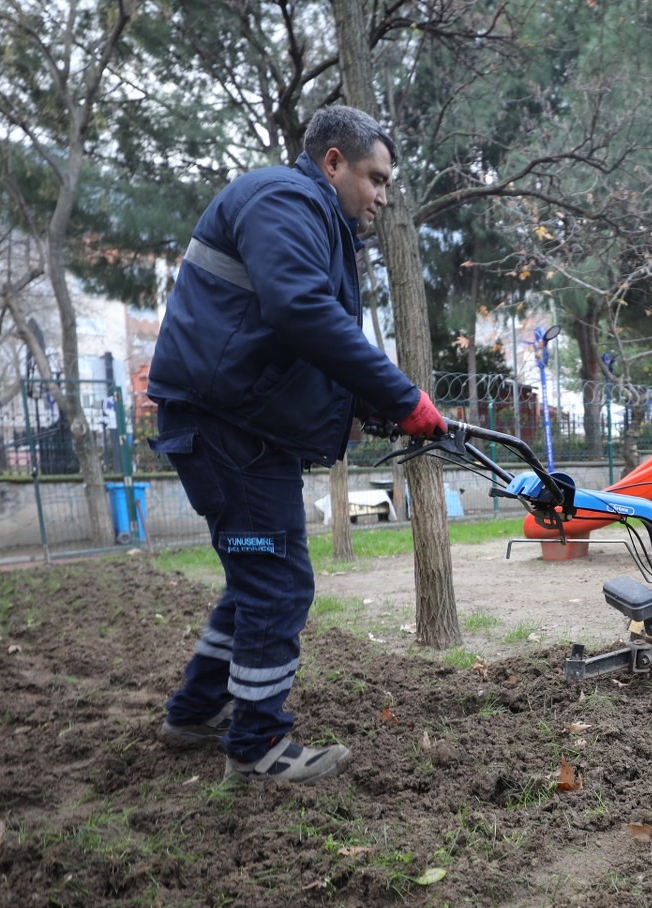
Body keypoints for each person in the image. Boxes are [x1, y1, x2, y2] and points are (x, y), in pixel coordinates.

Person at [147, 104, 445, 786]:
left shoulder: (310, 220)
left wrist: (378, 404)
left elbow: (294, 335)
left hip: (238, 427)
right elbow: (300, 312)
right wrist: (404, 398)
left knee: (256, 579)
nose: (381, 196)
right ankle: (256, 749)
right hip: (230, 432)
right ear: (332, 162)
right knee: (277, 583)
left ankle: (194, 713)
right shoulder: (283, 198)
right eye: (374, 177)